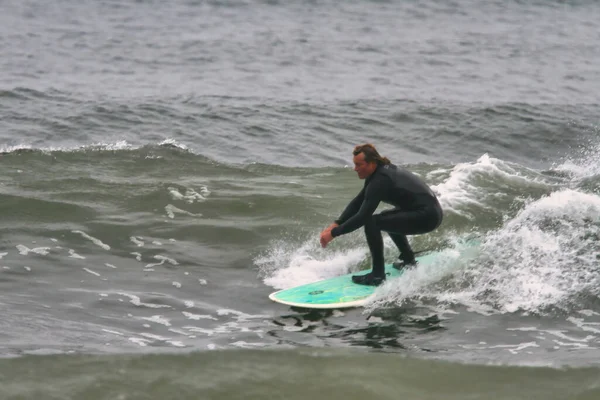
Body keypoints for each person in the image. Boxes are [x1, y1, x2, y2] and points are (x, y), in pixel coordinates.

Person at [320, 144, 443, 286]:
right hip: (429, 213)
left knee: (373, 222)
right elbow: (358, 202)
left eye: (359, 165)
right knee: (385, 218)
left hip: (427, 217)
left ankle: (377, 275)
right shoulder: (377, 174)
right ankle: (409, 261)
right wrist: (337, 222)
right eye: (354, 164)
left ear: (372, 163)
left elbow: (362, 216)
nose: (355, 168)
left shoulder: (380, 180)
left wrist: (334, 233)